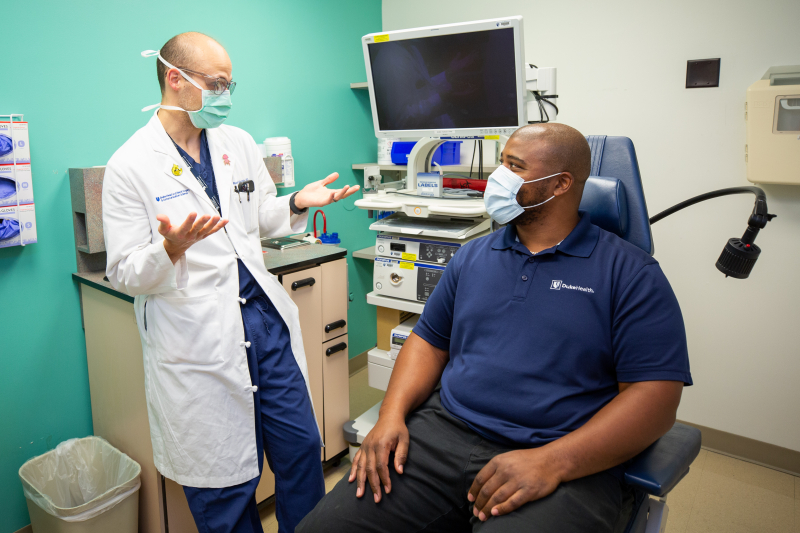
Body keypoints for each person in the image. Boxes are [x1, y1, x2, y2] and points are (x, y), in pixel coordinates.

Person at [297, 123, 692, 533]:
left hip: (561, 451)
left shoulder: (630, 273)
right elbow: (428, 343)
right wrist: (391, 416)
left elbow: (656, 399)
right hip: (442, 434)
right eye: (501, 163)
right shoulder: (473, 256)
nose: (496, 179)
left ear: (559, 184)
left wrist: (552, 461)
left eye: (514, 167)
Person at [102, 32, 358, 533]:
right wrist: (169, 250)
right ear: (175, 79)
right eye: (217, 84)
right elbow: (125, 272)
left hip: (263, 322)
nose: (226, 95)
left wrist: (298, 203)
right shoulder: (129, 166)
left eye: (229, 84)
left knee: (302, 450)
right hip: (198, 337)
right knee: (224, 485)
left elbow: (257, 215)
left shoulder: (236, 143)